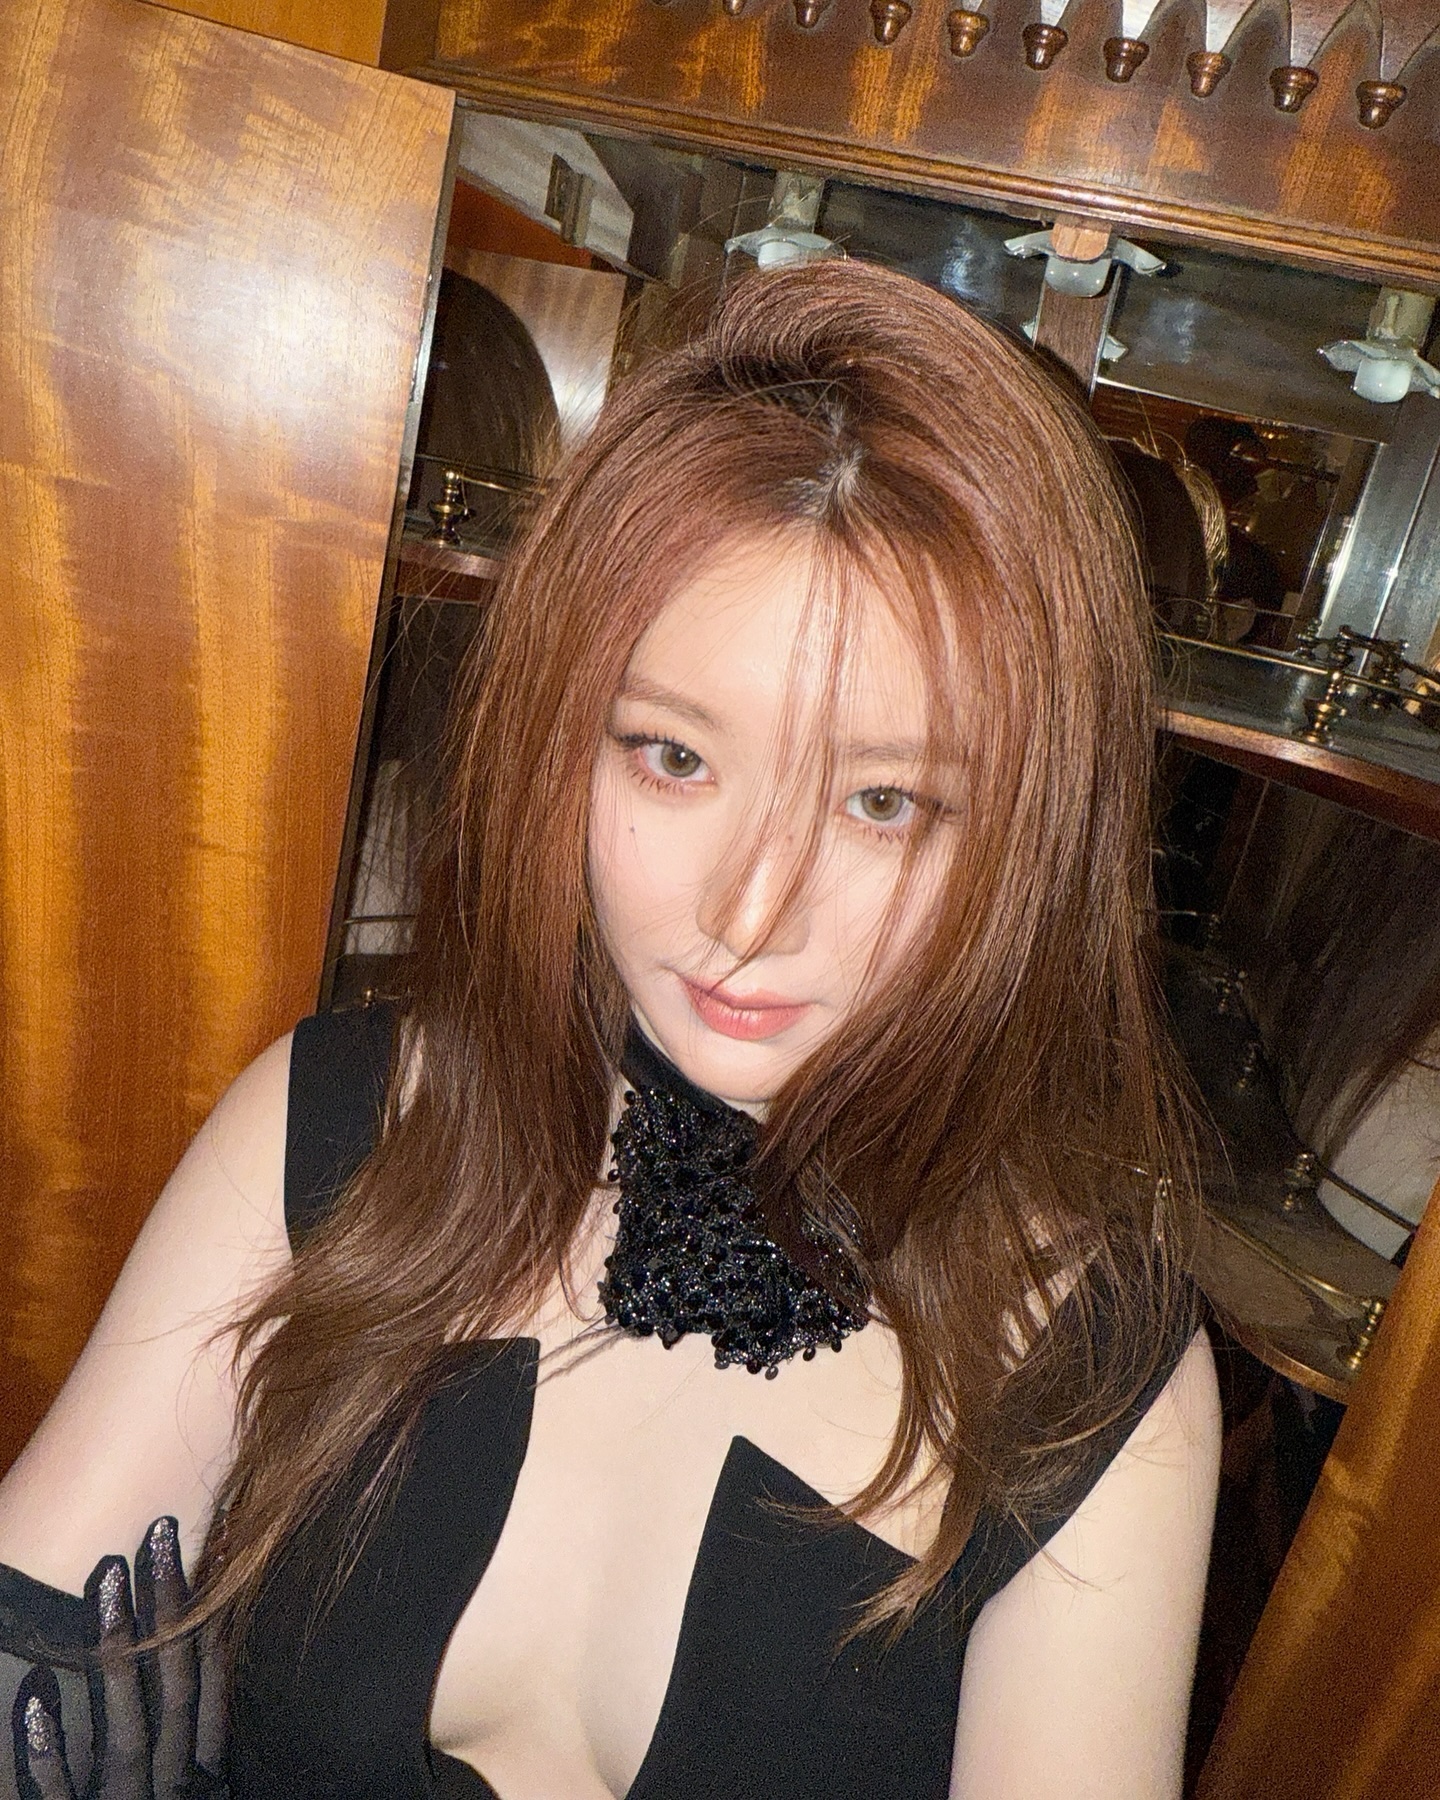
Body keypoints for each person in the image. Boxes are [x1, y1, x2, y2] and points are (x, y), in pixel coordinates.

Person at [0, 258, 1220, 1800]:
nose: (751, 911)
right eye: (674, 759)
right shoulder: (340, 1127)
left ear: (1032, 835)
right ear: (566, 738)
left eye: (883, 800)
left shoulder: (1093, 1386)